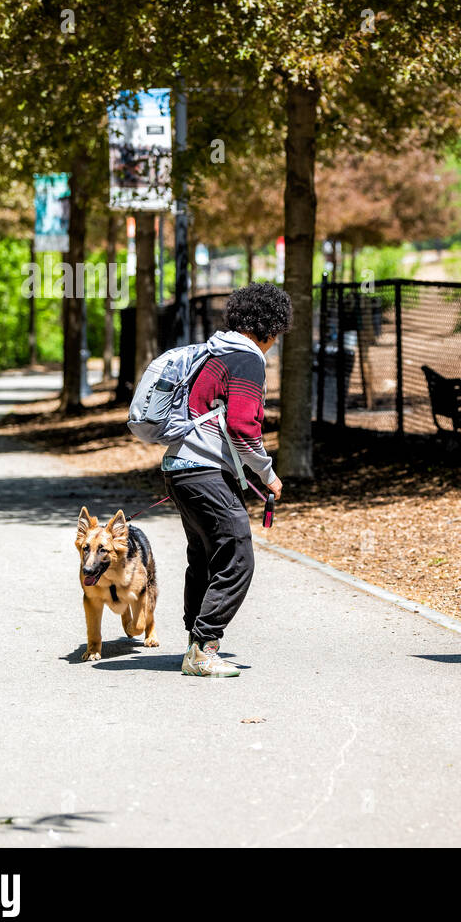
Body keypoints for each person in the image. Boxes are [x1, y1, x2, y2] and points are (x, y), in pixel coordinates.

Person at [162, 282, 293, 677]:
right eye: (277, 336)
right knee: (237, 554)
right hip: (203, 470)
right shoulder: (247, 359)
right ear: (269, 328)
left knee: (204, 557)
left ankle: (195, 643)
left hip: (178, 468)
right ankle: (203, 649)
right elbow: (241, 426)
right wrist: (267, 474)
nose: (274, 344)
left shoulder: (213, 353)